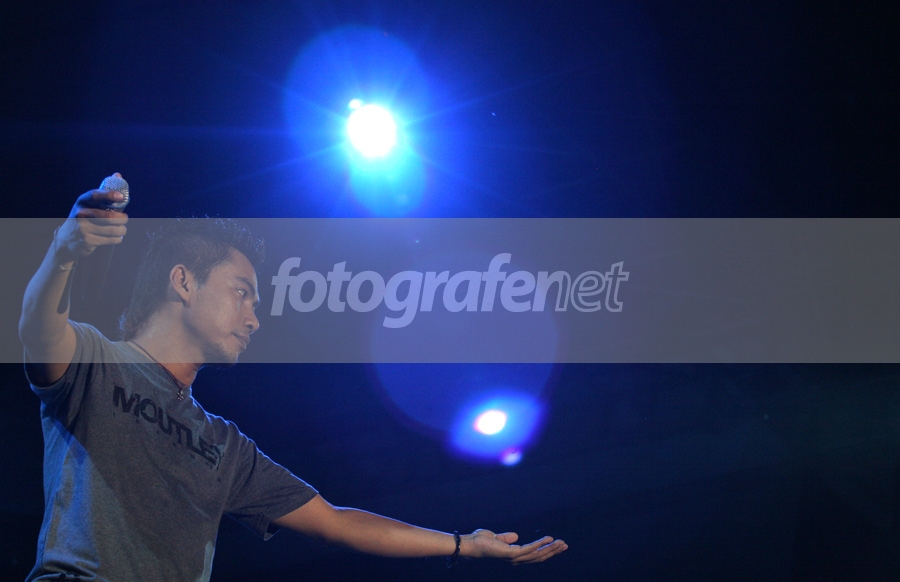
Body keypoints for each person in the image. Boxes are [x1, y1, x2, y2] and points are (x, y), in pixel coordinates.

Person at [18, 175, 568, 581]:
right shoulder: (98, 362)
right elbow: (39, 329)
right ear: (183, 282)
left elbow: (335, 522)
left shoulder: (225, 447)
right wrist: (65, 252)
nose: (254, 319)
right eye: (242, 293)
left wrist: (462, 544)